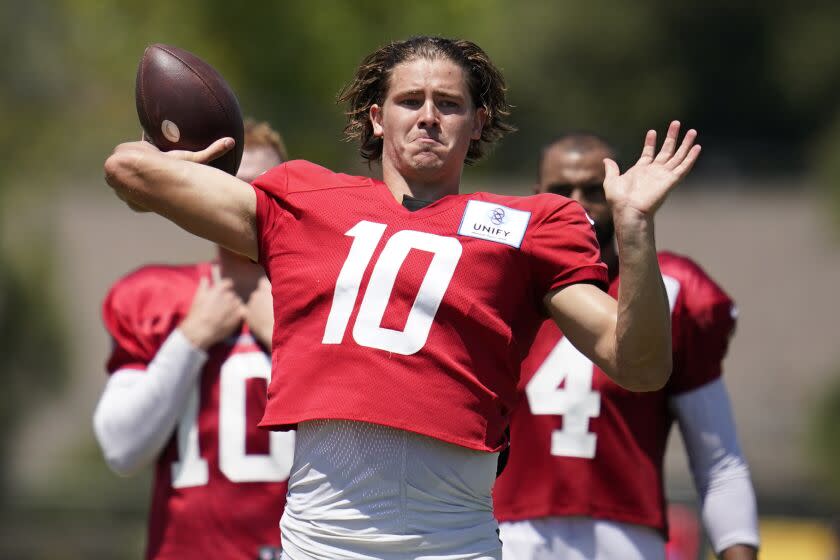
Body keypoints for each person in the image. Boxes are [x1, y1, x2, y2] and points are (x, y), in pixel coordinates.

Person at [103, 36, 700, 560]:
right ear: (377, 118)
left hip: (452, 538)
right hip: (320, 536)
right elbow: (130, 168)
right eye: (410, 101)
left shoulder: (528, 225)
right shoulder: (305, 198)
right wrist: (207, 162)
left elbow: (640, 365)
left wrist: (635, 228)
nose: (429, 117)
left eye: (450, 104)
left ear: (477, 122)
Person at [493, 133, 760, 560]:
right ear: (538, 197)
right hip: (506, 533)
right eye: (563, 191)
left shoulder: (674, 292)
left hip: (626, 539)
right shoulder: (499, 285)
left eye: (595, 190)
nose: (578, 204)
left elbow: (719, 461)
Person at [93, 120, 294, 560]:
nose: (247, 204)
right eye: (235, 188)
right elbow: (122, 448)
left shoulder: (322, 303)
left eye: (265, 192)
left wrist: (286, 338)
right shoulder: (160, 299)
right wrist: (190, 339)